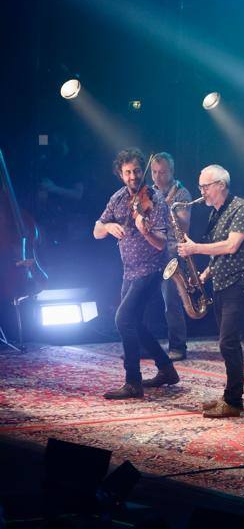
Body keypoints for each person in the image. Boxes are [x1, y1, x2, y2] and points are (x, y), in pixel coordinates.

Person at [94, 148, 178, 399]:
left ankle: (133, 382)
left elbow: (162, 243)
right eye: (128, 172)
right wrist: (108, 226)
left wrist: (144, 231)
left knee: (123, 320)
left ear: (143, 172)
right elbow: (96, 230)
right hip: (129, 271)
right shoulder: (118, 198)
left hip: (151, 269)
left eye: (137, 171)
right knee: (135, 323)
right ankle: (166, 370)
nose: (133, 176)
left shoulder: (156, 199)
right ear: (120, 174)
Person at [178, 165, 244, 417]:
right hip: (220, 282)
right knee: (225, 343)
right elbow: (218, 252)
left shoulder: (242, 208)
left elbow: (231, 246)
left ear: (221, 185)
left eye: (205, 187)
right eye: (201, 187)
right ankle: (228, 396)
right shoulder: (216, 213)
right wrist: (204, 275)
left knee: (228, 342)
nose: (202, 193)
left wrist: (195, 249)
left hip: (237, 282)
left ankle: (233, 401)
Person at [149, 152, 191, 361]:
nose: (158, 177)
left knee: (172, 303)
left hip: (172, 255)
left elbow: (183, 226)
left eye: (162, 172)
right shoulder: (149, 192)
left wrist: (166, 204)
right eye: (154, 172)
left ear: (172, 172)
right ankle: (144, 345)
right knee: (144, 301)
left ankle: (178, 346)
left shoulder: (182, 194)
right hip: (151, 253)